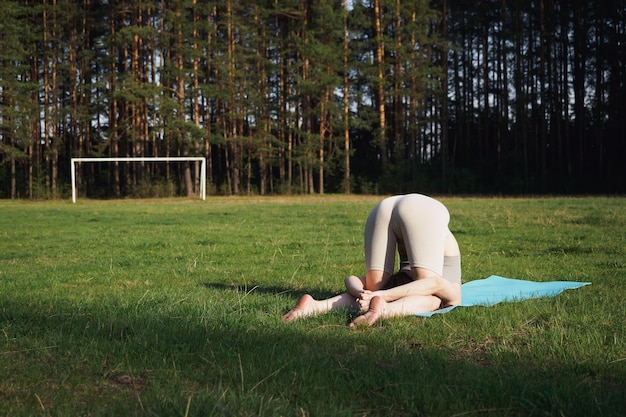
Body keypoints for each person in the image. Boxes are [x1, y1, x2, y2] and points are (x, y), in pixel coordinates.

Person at [282, 194, 462, 327]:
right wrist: (382, 296)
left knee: (372, 288)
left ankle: (314, 306)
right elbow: (434, 283)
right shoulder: (448, 291)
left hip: (384, 207)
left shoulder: (401, 279)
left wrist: (365, 293)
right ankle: (385, 309)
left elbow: (350, 279)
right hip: (421, 209)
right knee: (435, 301)